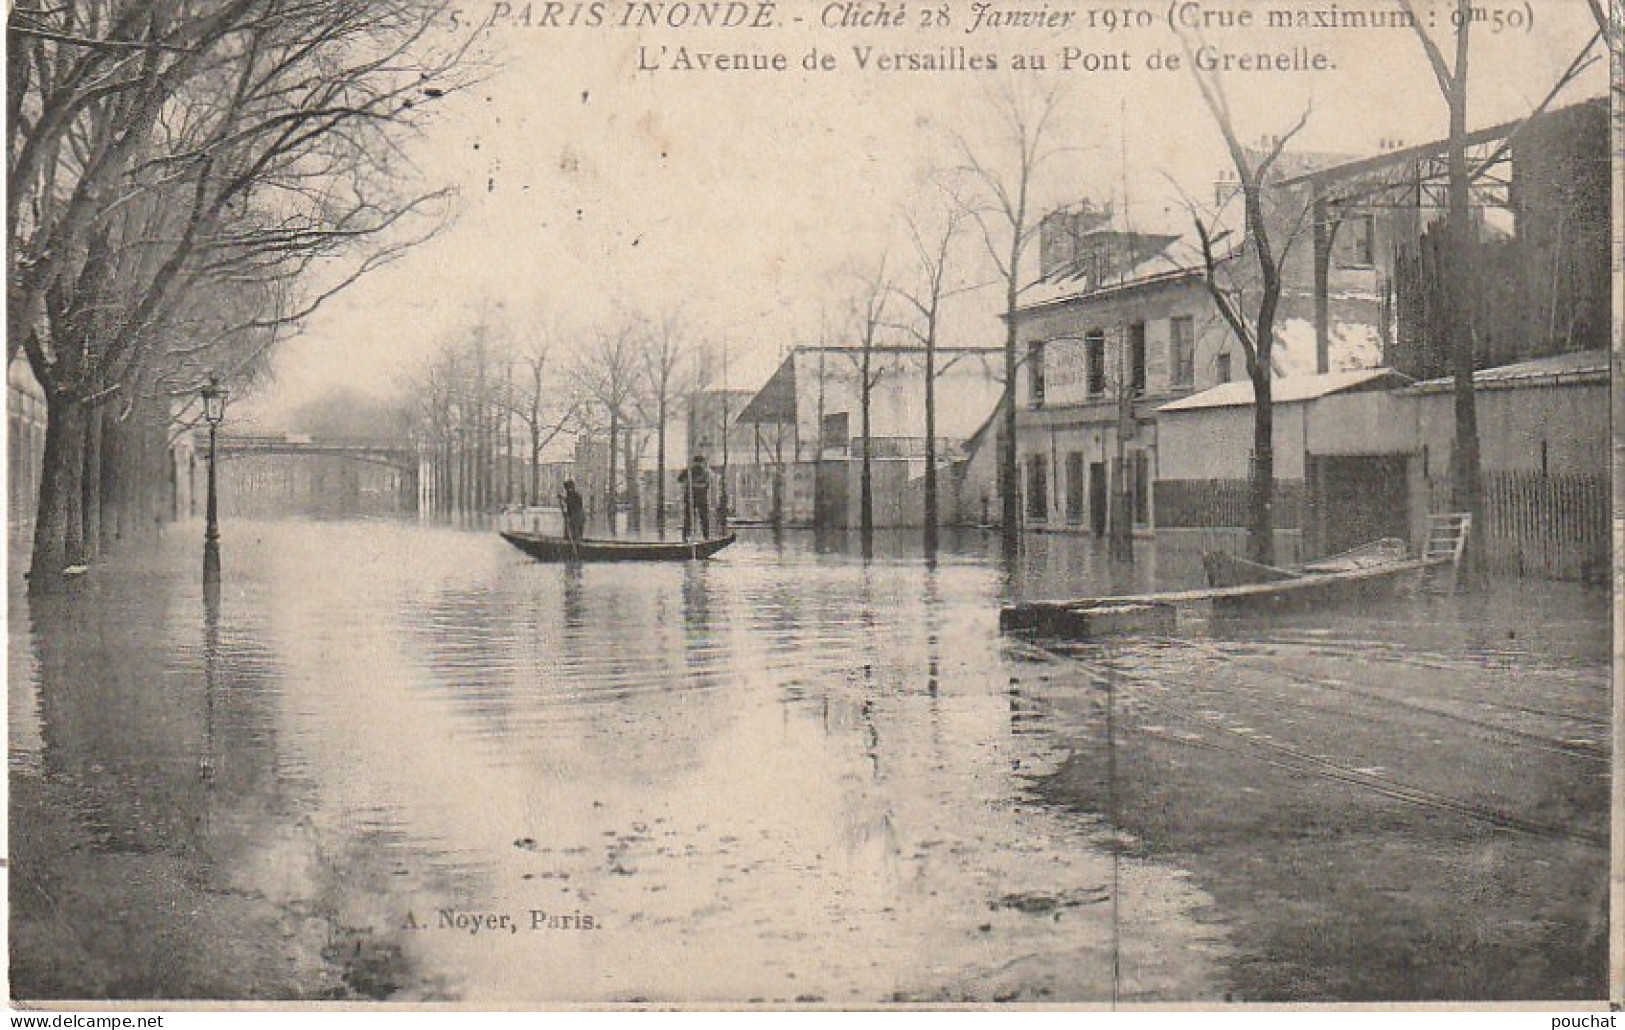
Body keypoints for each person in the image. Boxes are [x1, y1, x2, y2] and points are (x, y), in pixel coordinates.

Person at [676, 454, 711, 540]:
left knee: (704, 518)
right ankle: (685, 537)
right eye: (696, 463)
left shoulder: (705, 472)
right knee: (688, 518)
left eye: (700, 463)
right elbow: (680, 480)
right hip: (690, 498)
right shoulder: (688, 471)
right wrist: (686, 478)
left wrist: (694, 485)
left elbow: (706, 485)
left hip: (701, 499)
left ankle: (706, 537)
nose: (698, 465)